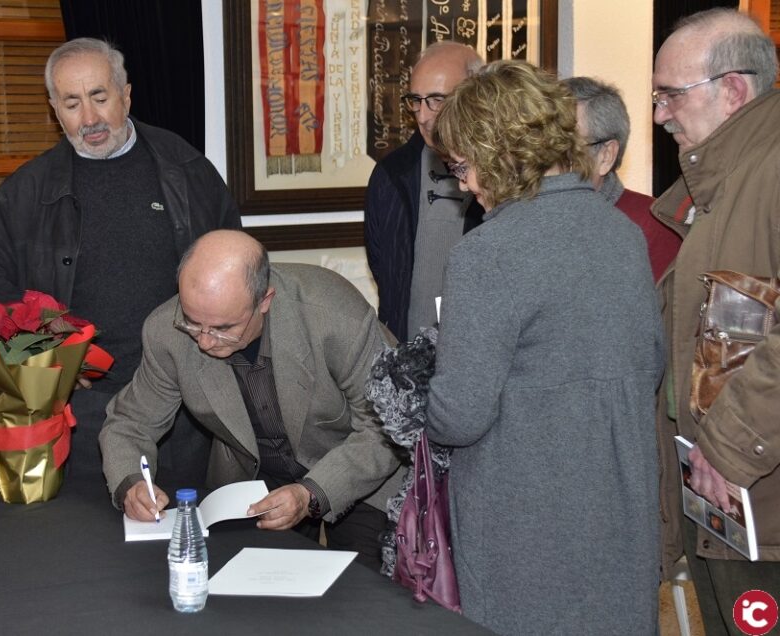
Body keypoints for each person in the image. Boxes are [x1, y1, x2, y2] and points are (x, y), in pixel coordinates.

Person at [426, 60, 664, 634]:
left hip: (526, 520)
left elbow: (458, 416)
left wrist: (420, 391)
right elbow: (650, 366)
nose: (464, 184)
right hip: (620, 499)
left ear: (499, 151)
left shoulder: (489, 253)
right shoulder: (624, 233)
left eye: (462, 164)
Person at [0, 38, 240, 486]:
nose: (89, 119)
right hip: (81, 410)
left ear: (126, 94)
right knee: (88, 546)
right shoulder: (27, 191)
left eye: (100, 97)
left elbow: (240, 267)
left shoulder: (187, 170)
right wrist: (45, 349)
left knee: (184, 541)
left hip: (183, 407)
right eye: (71, 103)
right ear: (54, 109)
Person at [100, 230, 402, 567]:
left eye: (223, 328)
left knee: (361, 588)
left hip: (358, 472)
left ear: (265, 300)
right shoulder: (166, 332)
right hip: (253, 483)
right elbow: (129, 423)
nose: (204, 342)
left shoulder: (333, 315)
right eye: (192, 323)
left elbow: (386, 427)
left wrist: (311, 493)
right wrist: (131, 484)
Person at [651, 9, 780, 632]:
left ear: (732, 89)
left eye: (671, 94)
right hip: (724, 499)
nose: (659, 115)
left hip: (758, 497)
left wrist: (726, 449)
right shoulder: (719, 184)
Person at [364, 41, 485, 342]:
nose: (423, 115)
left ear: (476, 95)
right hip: (405, 364)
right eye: (416, 100)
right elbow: (383, 269)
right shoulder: (391, 175)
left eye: (437, 99)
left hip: (480, 358)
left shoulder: (505, 179)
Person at [564, 76, 681, 281]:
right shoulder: (522, 220)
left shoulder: (654, 228)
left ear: (606, 155)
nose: (545, 163)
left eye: (566, 148)